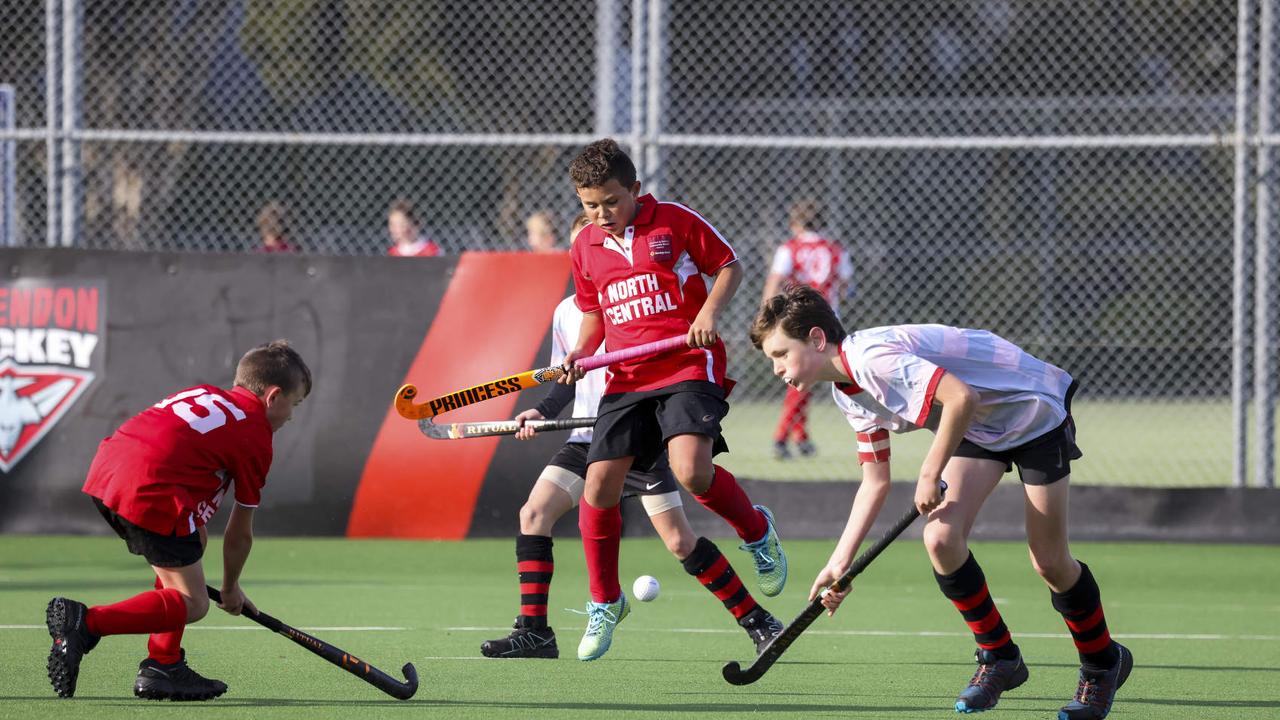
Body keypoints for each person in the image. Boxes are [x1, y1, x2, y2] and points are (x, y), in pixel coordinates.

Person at [749, 285, 1132, 720]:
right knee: (941, 539)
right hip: (980, 426)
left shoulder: (872, 358)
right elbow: (875, 481)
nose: (778, 368)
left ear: (817, 339)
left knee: (1049, 561)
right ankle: (1000, 658)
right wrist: (840, 563)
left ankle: (1102, 664)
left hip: (1031, 411)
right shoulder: (846, 393)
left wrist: (930, 473)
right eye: (772, 360)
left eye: (782, 353)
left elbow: (961, 397)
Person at [481, 213, 783, 660]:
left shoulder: (647, 291)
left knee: (680, 541)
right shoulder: (569, 313)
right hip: (587, 437)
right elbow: (567, 375)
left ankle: (756, 618)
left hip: (641, 429)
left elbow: (721, 272)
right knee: (534, 513)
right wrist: (540, 411)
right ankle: (535, 631)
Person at [559, 138, 787, 661]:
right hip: (627, 376)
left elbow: (728, 265)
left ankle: (756, 529)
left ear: (635, 190)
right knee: (598, 485)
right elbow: (594, 312)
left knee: (691, 472)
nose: (602, 214)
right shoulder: (584, 246)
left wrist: (706, 315)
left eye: (612, 201)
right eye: (590, 205)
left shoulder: (675, 221)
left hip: (686, 365)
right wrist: (579, 352)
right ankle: (605, 600)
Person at [45, 341, 312, 701]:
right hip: (149, 489)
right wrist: (231, 588)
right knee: (194, 603)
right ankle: (86, 623)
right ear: (273, 396)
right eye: (293, 405)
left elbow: (170, 445)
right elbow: (239, 532)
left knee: (193, 543)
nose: (291, 417)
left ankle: (163, 666)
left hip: (107, 469)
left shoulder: (204, 393)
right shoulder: (255, 436)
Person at [760, 199, 853, 460]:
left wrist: (766, 315)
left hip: (798, 320)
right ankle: (800, 438)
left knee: (800, 379)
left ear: (796, 224)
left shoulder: (790, 248)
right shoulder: (836, 250)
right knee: (805, 379)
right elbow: (845, 288)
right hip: (828, 321)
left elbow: (775, 281)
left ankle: (781, 437)